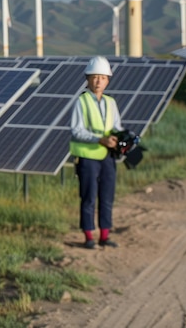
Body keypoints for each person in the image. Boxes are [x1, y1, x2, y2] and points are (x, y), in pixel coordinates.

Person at [69, 56, 123, 250]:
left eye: (102, 77)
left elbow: (116, 127)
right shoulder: (81, 102)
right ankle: (88, 236)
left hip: (107, 157)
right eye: (94, 77)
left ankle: (105, 235)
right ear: (87, 79)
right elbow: (76, 130)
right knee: (89, 197)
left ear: (108, 80)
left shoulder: (111, 103)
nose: (98, 81)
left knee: (107, 196)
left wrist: (120, 139)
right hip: (87, 157)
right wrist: (99, 139)